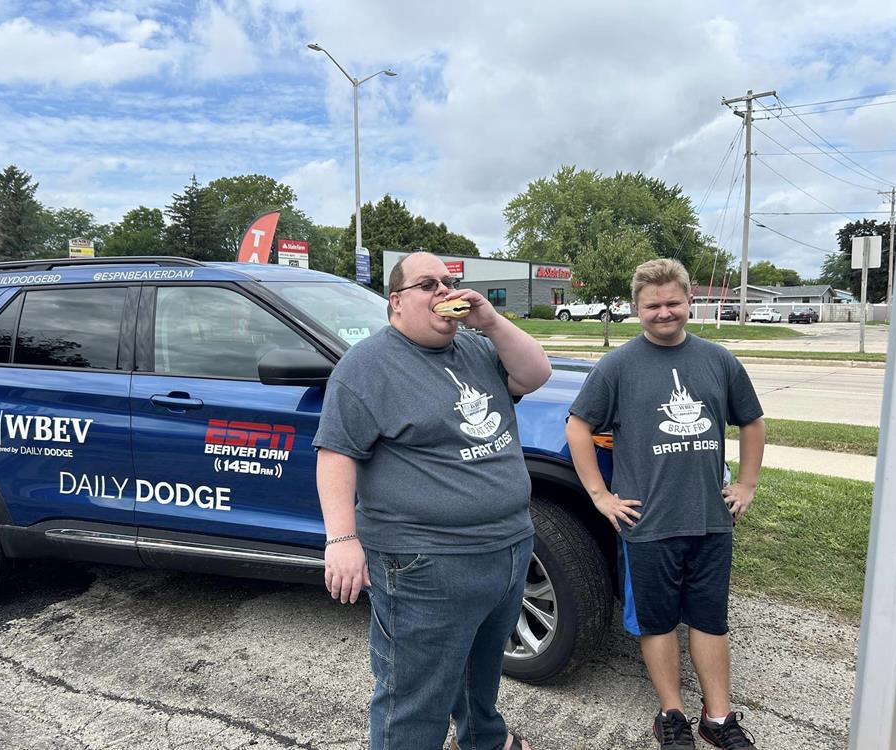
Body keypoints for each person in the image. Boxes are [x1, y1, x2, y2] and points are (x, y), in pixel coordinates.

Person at [313, 251, 551, 750]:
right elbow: (336, 454)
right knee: (413, 699)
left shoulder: (476, 348)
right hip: (425, 563)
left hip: (506, 548)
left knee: (480, 676)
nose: (445, 292)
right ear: (396, 302)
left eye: (450, 282)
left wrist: (490, 319)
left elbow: (535, 374)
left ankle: (485, 740)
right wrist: (341, 538)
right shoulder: (367, 367)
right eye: (429, 284)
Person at [565, 258, 765, 750]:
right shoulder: (617, 367)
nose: (664, 312)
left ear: (689, 301)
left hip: (709, 518)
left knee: (709, 619)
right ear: (637, 308)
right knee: (657, 622)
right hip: (648, 522)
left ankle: (718, 717)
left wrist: (747, 485)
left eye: (673, 302)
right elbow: (578, 426)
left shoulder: (718, 361)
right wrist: (600, 495)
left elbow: (753, 423)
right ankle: (671, 713)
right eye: (653, 305)